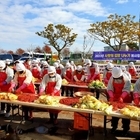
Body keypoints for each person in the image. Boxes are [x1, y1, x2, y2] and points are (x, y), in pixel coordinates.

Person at [107, 67, 132, 136]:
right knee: (114, 114)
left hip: (125, 98)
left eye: (118, 78)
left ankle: (125, 129)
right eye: (116, 78)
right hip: (115, 97)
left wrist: (122, 97)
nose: (117, 79)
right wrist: (111, 96)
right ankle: (114, 127)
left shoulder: (126, 78)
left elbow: (127, 89)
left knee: (125, 115)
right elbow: (109, 88)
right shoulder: (112, 78)